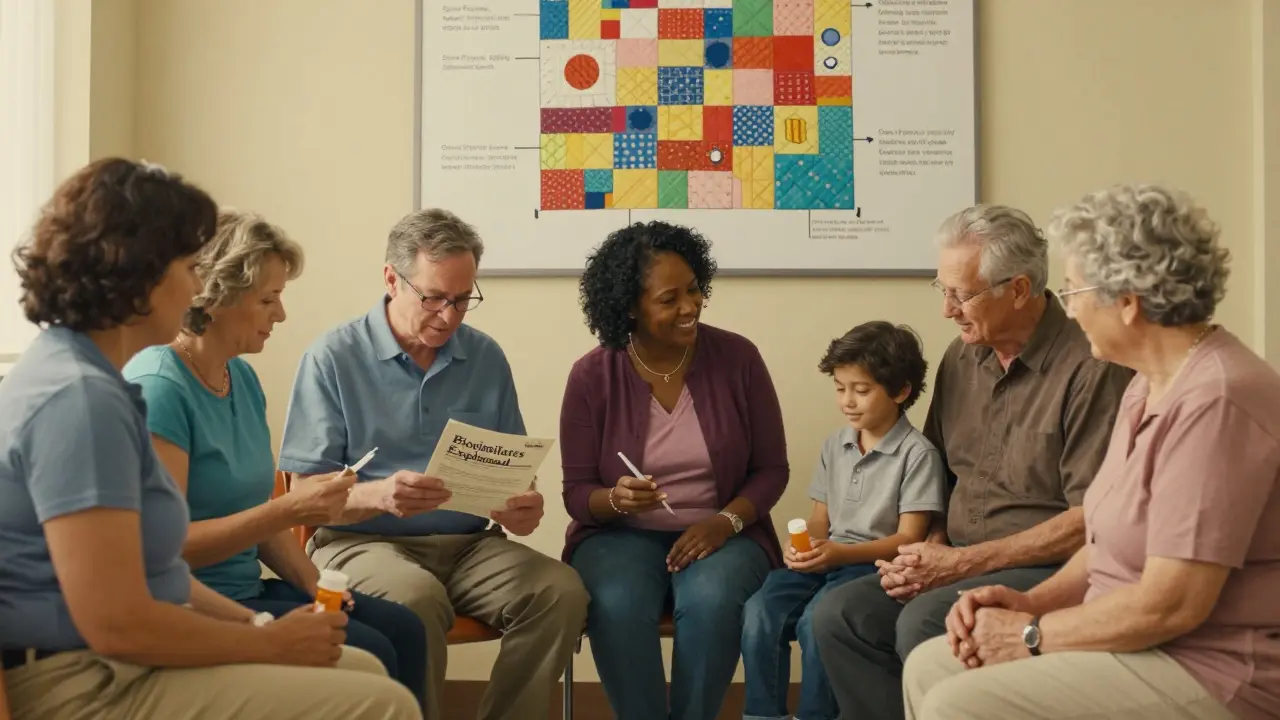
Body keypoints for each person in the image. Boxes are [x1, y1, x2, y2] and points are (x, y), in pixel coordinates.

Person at [0, 157, 419, 720]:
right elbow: (116, 620)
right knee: (381, 701)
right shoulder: (82, 400)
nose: (200, 286)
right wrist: (266, 643)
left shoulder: (90, 379)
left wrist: (256, 624)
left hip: (116, 657)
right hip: (85, 680)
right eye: (190, 266)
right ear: (139, 273)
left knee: (365, 670)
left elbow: (153, 571)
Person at [903, 184, 1279, 719]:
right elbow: (1104, 543)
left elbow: (1172, 603)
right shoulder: (1147, 385)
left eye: (1076, 292)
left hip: (1209, 665)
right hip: (1139, 639)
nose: (1070, 313)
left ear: (1127, 302)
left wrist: (1031, 633)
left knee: (956, 702)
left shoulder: (1217, 400)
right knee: (929, 666)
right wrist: (1032, 602)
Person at [811, 204, 1134, 720]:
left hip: (1048, 568)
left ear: (1020, 289)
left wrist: (962, 564)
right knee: (837, 615)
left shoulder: (1090, 367)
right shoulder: (962, 358)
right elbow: (937, 469)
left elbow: (1092, 520)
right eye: (942, 290)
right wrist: (932, 547)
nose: (947, 309)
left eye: (960, 294)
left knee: (922, 623)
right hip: (955, 556)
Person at [277, 208, 588, 720]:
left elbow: (513, 468)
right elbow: (303, 492)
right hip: (359, 543)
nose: (450, 316)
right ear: (390, 279)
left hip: (469, 545)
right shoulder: (332, 357)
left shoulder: (485, 357)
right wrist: (377, 495)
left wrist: (522, 506)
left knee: (560, 592)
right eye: (435, 298)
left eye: (463, 299)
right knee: (414, 598)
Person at [121, 209, 429, 709]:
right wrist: (290, 509)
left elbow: (261, 522)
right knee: (373, 650)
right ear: (215, 297)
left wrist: (319, 588)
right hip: (195, 605)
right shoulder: (160, 387)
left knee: (404, 630)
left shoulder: (239, 377)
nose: (280, 314)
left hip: (249, 588)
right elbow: (164, 551)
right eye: (268, 299)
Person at [559, 220, 789, 720]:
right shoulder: (592, 375)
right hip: (618, 535)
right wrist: (616, 499)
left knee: (713, 600)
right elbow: (577, 493)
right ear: (629, 308)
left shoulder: (738, 358)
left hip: (724, 530)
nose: (690, 306)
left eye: (694, 289)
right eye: (669, 299)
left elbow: (772, 470)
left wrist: (723, 521)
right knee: (615, 603)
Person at [740, 321, 947, 720]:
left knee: (819, 622)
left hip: (873, 567)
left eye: (862, 390)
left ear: (901, 391)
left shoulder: (918, 455)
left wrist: (839, 553)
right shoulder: (836, 444)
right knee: (759, 612)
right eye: (840, 388)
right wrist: (804, 545)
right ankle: (762, 715)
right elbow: (821, 518)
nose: (848, 401)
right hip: (829, 560)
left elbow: (909, 539)